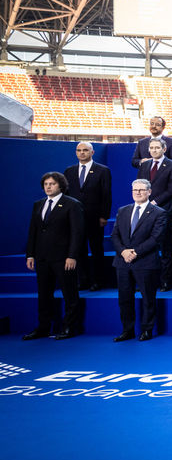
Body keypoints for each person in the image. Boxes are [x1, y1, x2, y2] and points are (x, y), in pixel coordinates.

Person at [24, 171, 84, 340]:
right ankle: (43, 327)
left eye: (52, 184)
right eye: (46, 184)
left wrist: (72, 256)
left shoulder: (72, 204)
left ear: (61, 186)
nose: (48, 187)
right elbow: (33, 231)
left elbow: (77, 233)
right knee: (43, 294)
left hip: (64, 258)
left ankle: (70, 327)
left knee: (69, 294)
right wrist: (30, 255)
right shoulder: (38, 204)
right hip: (42, 257)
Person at [110, 179, 166, 341]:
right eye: (135, 190)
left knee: (148, 298)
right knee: (124, 298)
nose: (138, 193)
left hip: (145, 262)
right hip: (123, 262)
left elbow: (156, 238)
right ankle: (127, 330)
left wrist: (135, 252)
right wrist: (123, 252)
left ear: (149, 192)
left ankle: (147, 330)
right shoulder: (123, 210)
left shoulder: (158, 212)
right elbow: (115, 235)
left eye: (141, 190)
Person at [64, 142, 111, 291]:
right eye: (79, 150)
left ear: (92, 152)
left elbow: (106, 194)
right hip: (75, 218)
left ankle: (99, 280)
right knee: (79, 249)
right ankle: (83, 280)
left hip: (95, 217)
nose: (82, 153)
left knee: (97, 249)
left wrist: (104, 215)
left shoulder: (102, 170)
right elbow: (65, 195)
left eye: (85, 150)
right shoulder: (69, 171)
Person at [137, 138, 172, 291]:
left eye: (157, 147)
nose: (154, 150)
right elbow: (139, 185)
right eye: (151, 148)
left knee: (165, 248)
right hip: (144, 212)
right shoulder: (145, 165)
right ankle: (145, 282)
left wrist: (154, 202)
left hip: (163, 211)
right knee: (144, 247)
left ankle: (165, 281)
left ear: (164, 149)